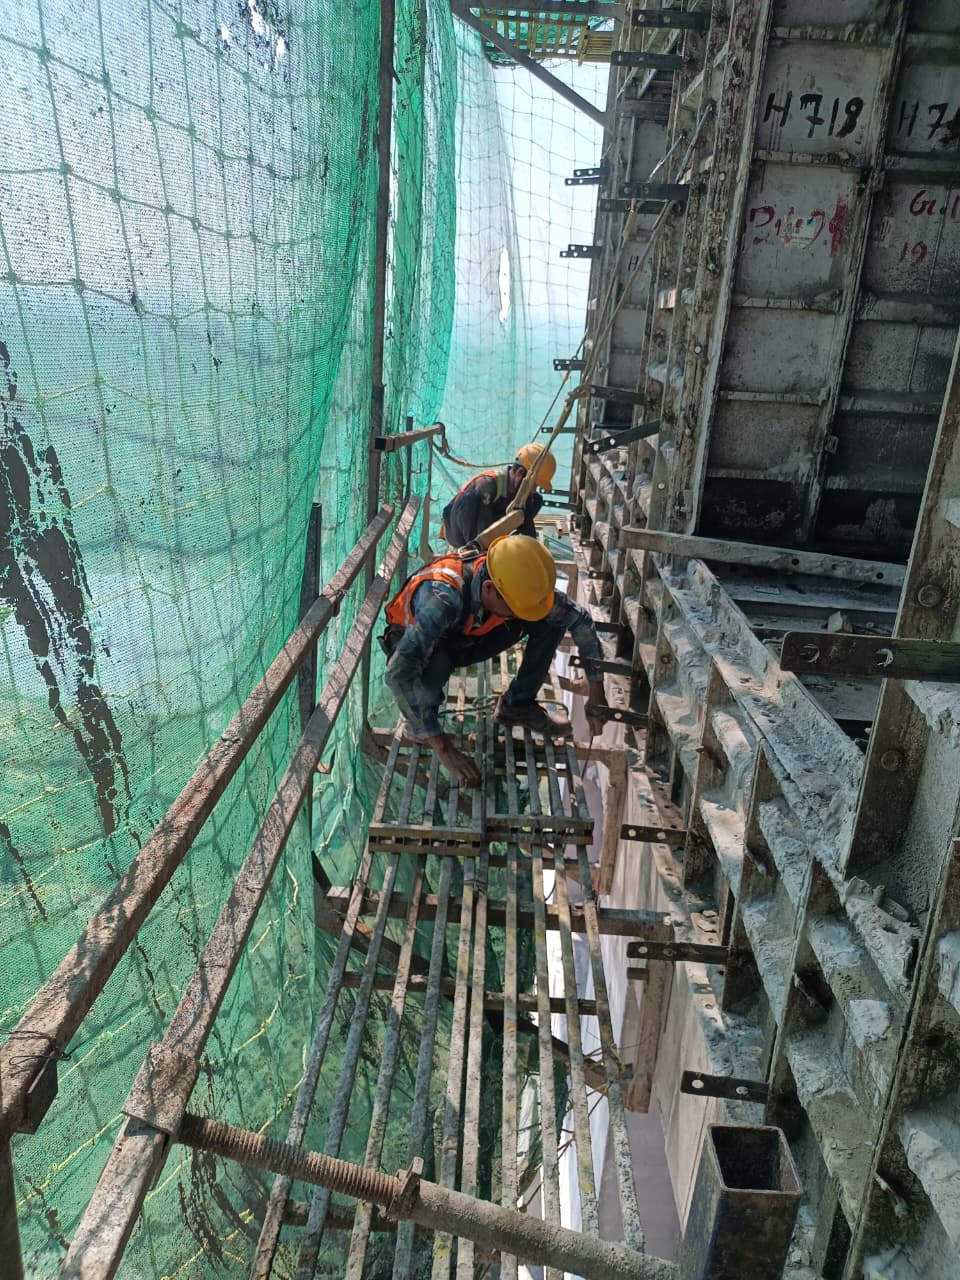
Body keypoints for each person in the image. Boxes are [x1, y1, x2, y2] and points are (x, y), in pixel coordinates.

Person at [381, 534, 608, 787]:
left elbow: (581, 622)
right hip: (417, 643)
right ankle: (422, 729)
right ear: (489, 588)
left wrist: (597, 693)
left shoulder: (512, 583)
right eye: (514, 607)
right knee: (437, 664)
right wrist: (443, 747)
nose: (519, 614)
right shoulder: (442, 599)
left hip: (464, 635)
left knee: (549, 619)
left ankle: (517, 705)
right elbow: (398, 675)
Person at [439, 443, 557, 548]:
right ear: (520, 473)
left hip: (488, 521)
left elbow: (528, 531)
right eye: (534, 485)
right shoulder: (485, 486)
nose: (534, 491)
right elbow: (478, 534)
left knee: (535, 500)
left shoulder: (524, 492)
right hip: (458, 532)